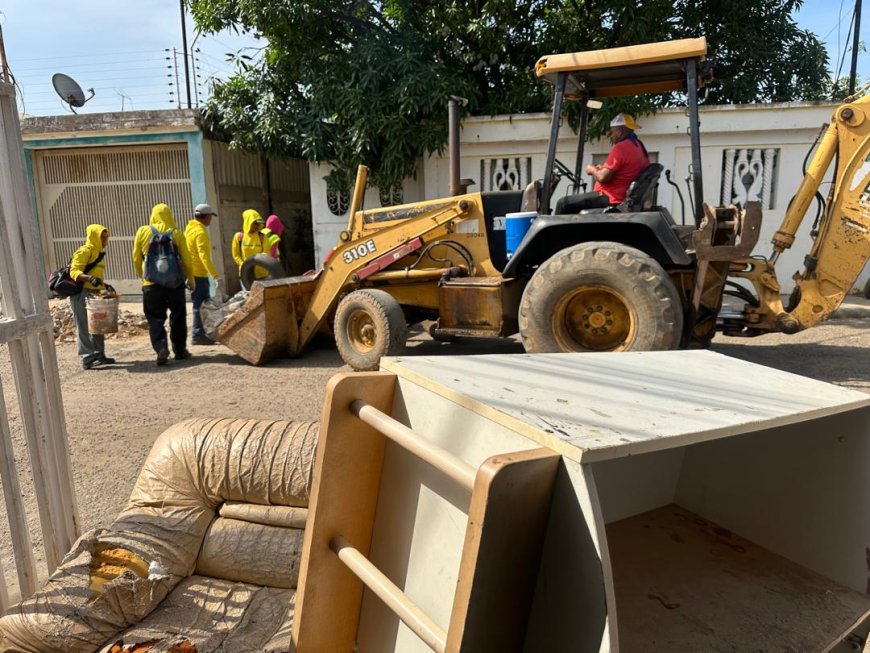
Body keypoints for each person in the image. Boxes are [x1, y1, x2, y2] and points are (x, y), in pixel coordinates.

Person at [132, 203, 194, 366]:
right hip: (175, 285)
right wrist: (191, 279)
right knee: (178, 316)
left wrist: (142, 277)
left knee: (155, 318)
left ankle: (161, 347)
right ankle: (180, 351)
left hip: (151, 284)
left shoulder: (142, 231)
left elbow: (136, 258)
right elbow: (187, 260)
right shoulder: (177, 233)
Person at [69, 224, 115, 370]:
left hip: (95, 294)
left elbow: (96, 275)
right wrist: (89, 279)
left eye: (106, 237)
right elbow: (74, 271)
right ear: (94, 236)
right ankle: (87, 357)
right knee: (83, 326)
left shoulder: (99, 253)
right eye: (102, 236)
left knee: (98, 325)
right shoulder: (84, 251)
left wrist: (104, 286)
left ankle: (99, 354)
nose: (105, 240)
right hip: (81, 294)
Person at [583, 113, 650, 206]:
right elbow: (625, 170)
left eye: (612, 132)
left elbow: (603, 178)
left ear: (619, 131)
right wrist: (604, 168)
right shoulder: (639, 145)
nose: (612, 135)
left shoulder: (621, 147)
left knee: (563, 203)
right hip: (623, 197)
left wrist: (592, 170)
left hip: (611, 197)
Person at [185, 203, 222, 346]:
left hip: (191, 273)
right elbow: (204, 256)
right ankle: (198, 334)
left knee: (198, 305)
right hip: (199, 274)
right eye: (210, 217)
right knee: (201, 306)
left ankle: (200, 333)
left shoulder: (189, 229)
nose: (211, 220)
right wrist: (215, 275)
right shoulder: (200, 232)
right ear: (205, 217)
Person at [231, 209, 270, 280]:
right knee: (248, 292)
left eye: (259, 223)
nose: (258, 225)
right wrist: (243, 265)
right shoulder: (239, 237)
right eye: (255, 223)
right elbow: (236, 255)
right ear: (248, 222)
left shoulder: (263, 237)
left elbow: (267, 253)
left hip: (261, 274)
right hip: (246, 274)